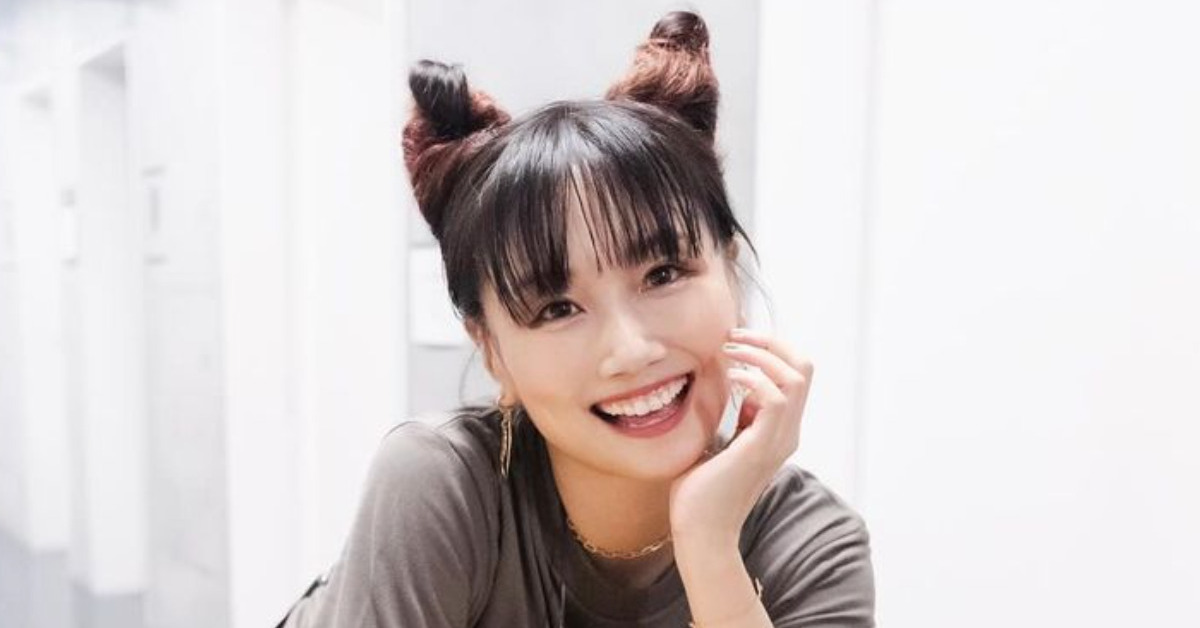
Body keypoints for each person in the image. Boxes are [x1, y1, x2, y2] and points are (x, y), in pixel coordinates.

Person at [279, 11, 874, 628]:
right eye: (558, 308)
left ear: (729, 273)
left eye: (663, 274)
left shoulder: (812, 547)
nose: (631, 349)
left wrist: (708, 542)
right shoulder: (439, 485)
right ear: (491, 350)